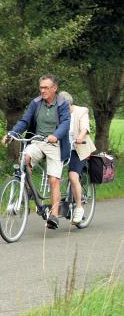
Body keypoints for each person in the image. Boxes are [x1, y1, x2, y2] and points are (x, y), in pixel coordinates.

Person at [1, 74, 70, 229]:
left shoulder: (62, 104)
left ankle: (53, 215)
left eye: (46, 87)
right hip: (38, 142)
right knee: (24, 158)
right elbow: (25, 121)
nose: (43, 90)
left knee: (54, 180)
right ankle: (27, 191)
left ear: (54, 88)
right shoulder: (36, 103)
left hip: (55, 144)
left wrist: (56, 135)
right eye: (41, 87)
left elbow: (65, 123)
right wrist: (12, 134)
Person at [58, 91, 96, 224]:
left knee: (73, 176)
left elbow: (84, 127)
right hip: (63, 148)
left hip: (78, 149)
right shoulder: (59, 113)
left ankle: (79, 207)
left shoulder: (81, 111)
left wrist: (80, 136)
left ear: (69, 104)